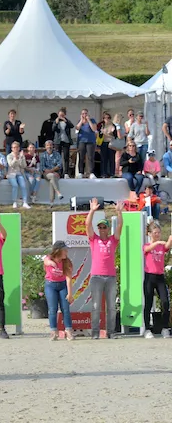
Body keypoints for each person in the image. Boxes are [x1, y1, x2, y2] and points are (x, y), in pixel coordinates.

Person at [86, 198, 123, 339]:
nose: (101, 229)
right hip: (96, 276)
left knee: (112, 307)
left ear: (108, 229)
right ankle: (95, 332)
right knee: (96, 306)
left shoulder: (113, 240)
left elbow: (120, 227)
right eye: (100, 227)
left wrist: (119, 213)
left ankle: (111, 332)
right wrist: (92, 211)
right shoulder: (94, 239)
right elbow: (87, 224)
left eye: (104, 227)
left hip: (111, 277)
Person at [143, 222, 171, 339]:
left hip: (160, 277)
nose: (157, 235)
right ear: (149, 234)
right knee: (148, 303)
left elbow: (168, 244)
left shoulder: (161, 246)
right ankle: (147, 329)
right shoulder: (146, 245)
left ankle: (164, 328)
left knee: (165, 302)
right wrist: (158, 242)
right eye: (155, 233)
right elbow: (148, 248)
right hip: (149, 276)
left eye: (159, 233)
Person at [43, 240, 74, 341]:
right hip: (50, 285)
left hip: (62, 285)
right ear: (58, 251)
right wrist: (52, 263)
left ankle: (68, 330)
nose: (66, 252)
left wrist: (70, 294)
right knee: (52, 309)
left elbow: (69, 278)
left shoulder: (67, 262)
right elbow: (46, 261)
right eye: (65, 250)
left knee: (65, 309)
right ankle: (53, 331)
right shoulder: (49, 258)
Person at [7, 141, 31, 210]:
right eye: (14, 147)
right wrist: (15, 158)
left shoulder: (22, 156)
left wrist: (20, 159)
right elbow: (11, 164)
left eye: (16, 147)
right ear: (12, 148)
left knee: (24, 185)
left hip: (19, 173)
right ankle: (14, 202)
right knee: (15, 185)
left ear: (19, 148)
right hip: (11, 174)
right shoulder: (9, 156)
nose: (15, 149)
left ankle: (25, 202)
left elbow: (24, 165)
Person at [39, 141, 64, 205]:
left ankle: (51, 202)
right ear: (45, 147)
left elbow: (60, 165)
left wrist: (52, 171)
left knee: (52, 180)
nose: (49, 147)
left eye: (50, 145)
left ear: (53, 146)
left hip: (55, 173)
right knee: (52, 176)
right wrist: (51, 171)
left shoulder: (57, 154)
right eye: (47, 145)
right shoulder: (43, 155)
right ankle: (58, 192)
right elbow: (42, 167)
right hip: (46, 174)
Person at [76, 109, 97, 178]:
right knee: (81, 157)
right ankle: (80, 172)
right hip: (82, 141)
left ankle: (91, 172)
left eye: (86, 113)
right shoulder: (80, 121)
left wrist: (89, 120)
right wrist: (81, 121)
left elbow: (94, 129)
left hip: (90, 141)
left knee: (90, 157)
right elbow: (77, 128)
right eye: (83, 114)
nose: (84, 115)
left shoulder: (92, 120)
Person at [53, 107, 74, 177]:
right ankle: (59, 172)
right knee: (58, 157)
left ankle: (66, 173)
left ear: (64, 115)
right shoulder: (56, 121)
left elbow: (72, 126)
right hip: (58, 141)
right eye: (60, 115)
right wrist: (56, 123)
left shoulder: (67, 121)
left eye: (62, 115)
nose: (61, 116)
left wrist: (65, 121)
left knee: (66, 157)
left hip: (66, 141)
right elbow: (53, 129)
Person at [97, 112, 117, 178]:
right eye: (105, 118)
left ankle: (112, 173)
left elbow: (116, 135)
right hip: (103, 143)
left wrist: (113, 132)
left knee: (112, 159)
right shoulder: (101, 125)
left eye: (108, 118)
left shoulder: (113, 125)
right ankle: (103, 173)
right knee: (103, 159)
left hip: (111, 143)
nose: (107, 119)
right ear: (103, 118)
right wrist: (101, 132)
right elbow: (98, 134)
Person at [113, 113, 126, 177]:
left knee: (117, 157)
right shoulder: (118, 126)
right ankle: (117, 171)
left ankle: (116, 170)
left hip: (116, 143)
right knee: (118, 158)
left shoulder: (113, 125)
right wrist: (125, 134)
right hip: (119, 144)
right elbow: (119, 136)